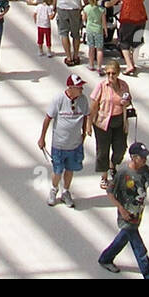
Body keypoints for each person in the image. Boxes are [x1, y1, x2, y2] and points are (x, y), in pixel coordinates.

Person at [98, 142, 149, 277]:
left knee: (123, 238)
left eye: (145, 157)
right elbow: (110, 192)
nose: (145, 159)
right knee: (139, 248)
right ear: (133, 157)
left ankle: (105, 258)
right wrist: (121, 208)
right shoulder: (123, 173)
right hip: (126, 216)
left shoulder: (145, 171)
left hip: (137, 214)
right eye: (142, 157)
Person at [39, 74, 91, 208]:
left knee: (70, 169)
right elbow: (48, 118)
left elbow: (86, 116)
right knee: (57, 170)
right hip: (59, 145)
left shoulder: (83, 100)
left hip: (75, 145)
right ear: (70, 87)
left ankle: (66, 192)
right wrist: (42, 138)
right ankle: (54, 189)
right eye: (79, 87)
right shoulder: (59, 99)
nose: (81, 89)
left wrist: (84, 133)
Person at [89, 59, 131, 187]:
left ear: (118, 73)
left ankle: (113, 165)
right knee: (103, 151)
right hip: (103, 123)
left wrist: (127, 102)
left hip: (119, 121)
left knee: (121, 148)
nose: (110, 76)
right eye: (108, 73)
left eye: (113, 73)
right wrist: (88, 124)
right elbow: (94, 106)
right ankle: (104, 176)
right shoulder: (101, 86)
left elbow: (128, 99)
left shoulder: (123, 85)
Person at [107, 0, 148, 75]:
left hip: (128, 17)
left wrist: (107, 4)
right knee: (136, 41)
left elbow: (114, 0)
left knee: (124, 42)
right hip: (141, 16)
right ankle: (133, 61)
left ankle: (129, 65)